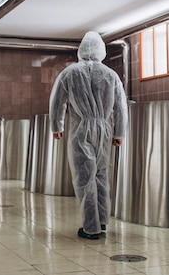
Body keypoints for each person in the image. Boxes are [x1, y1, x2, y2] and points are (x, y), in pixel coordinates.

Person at [49, 31, 128, 240]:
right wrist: (119, 132)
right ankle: (102, 222)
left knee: (85, 177)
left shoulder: (69, 72)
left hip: (81, 129)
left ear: (81, 49)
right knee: (101, 176)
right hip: (104, 129)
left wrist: (57, 127)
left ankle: (90, 227)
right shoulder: (111, 75)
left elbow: (57, 102)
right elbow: (121, 106)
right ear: (101, 50)